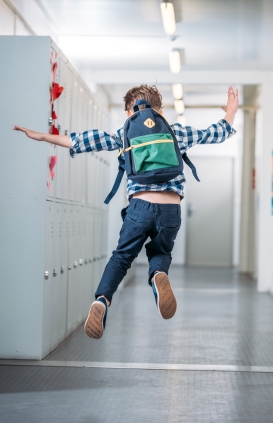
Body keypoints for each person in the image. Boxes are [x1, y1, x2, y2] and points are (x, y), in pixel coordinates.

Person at [14, 84, 238, 339]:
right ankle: (158, 275)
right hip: (171, 210)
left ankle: (101, 300)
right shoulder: (177, 133)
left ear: (128, 112)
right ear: (160, 110)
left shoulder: (125, 134)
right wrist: (231, 111)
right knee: (161, 251)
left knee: (121, 258)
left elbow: (81, 140)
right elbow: (216, 133)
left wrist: (41, 136)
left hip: (139, 207)